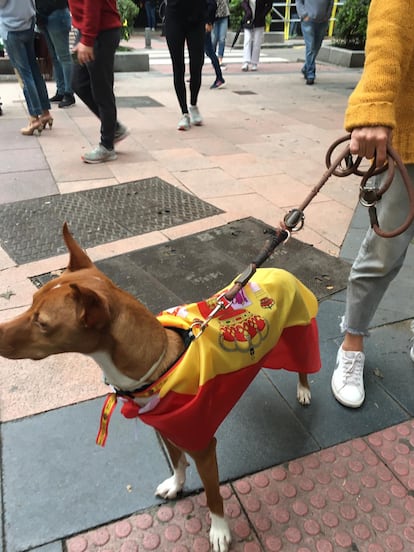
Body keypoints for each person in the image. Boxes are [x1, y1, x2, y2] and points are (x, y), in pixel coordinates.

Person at [331, 0, 414, 408]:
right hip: (411, 139)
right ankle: (351, 343)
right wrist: (375, 104)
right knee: (384, 249)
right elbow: (391, 21)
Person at [68, 0, 129, 164]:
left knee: (102, 90)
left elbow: (92, 3)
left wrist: (87, 39)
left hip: (101, 31)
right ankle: (113, 128)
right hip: (87, 29)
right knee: (78, 83)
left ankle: (107, 145)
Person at [0, 0, 53, 135]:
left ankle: (34, 118)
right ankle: (45, 112)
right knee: (34, 70)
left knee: (24, 75)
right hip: (28, 23)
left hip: (11, 27)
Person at [165, 0, 212, 131]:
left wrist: (209, 16)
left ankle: (193, 104)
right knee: (178, 66)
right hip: (174, 17)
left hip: (197, 17)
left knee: (197, 64)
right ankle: (184, 112)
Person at [35, 0, 75, 109]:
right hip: (44, 16)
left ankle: (69, 92)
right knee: (55, 57)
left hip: (56, 13)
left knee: (63, 56)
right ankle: (61, 90)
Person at [296, 0, 333, 85]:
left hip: (322, 21)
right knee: (311, 47)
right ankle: (310, 74)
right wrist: (304, 15)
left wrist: (327, 15)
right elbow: (299, 1)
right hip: (308, 21)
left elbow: (331, 2)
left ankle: (306, 67)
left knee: (316, 47)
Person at [241, 0, 272, 72]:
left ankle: (254, 63)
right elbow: (243, 3)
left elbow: (269, 5)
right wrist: (248, 12)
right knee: (247, 40)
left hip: (259, 20)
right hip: (248, 19)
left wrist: (263, 14)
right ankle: (246, 62)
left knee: (257, 43)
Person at [205, 0, 225, 90]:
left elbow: (212, 5)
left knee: (209, 51)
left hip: (203, 24)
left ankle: (219, 77)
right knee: (205, 51)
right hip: (201, 23)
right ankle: (195, 75)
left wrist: (209, 22)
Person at [211, 0, 229, 67]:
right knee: (214, 40)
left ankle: (220, 58)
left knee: (222, 38)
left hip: (224, 15)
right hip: (214, 17)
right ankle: (213, 58)